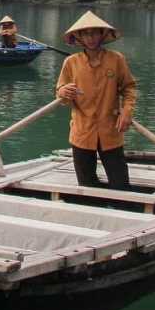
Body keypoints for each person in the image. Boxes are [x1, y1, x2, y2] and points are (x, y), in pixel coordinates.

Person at [54, 11, 137, 191]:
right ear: (80, 37)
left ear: (102, 34)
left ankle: (121, 211)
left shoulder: (116, 60)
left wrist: (127, 110)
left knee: (120, 185)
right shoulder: (71, 63)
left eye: (94, 33)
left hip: (110, 130)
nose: (90, 38)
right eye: (85, 33)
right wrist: (63, 92)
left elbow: (129, 88)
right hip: (82, 132)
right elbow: (60, 95)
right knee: (86, 185)